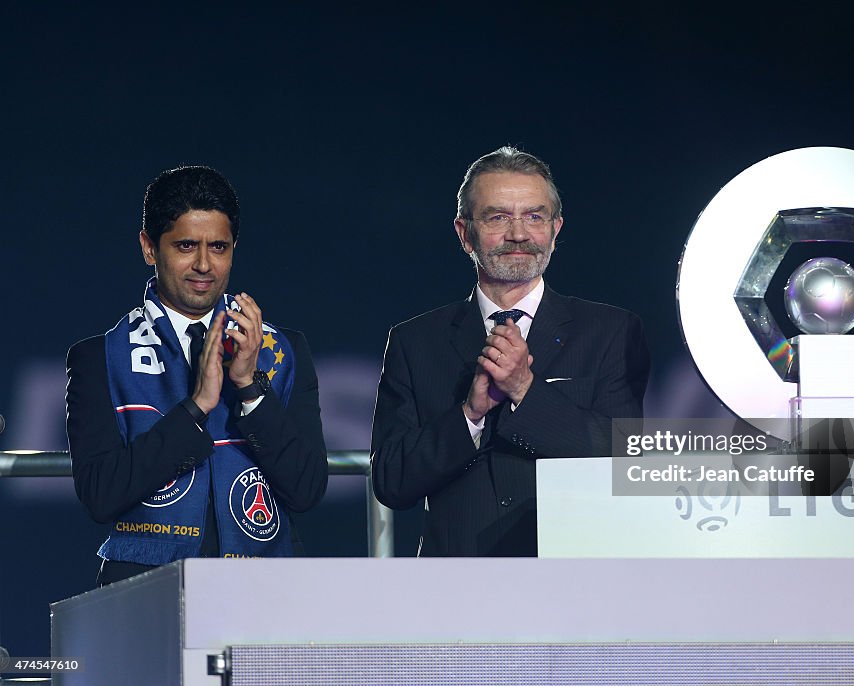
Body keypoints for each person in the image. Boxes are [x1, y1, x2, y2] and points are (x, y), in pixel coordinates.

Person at [370, 146, 650, 556]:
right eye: (498, 217)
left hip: (574, 582)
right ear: (465, 233)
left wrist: (525, 391)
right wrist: (470, 416)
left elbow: (623, 459)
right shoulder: (416, 341)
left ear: (556, 230)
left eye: (534, 217)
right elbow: (392, 481)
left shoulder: (611, 332)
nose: (519, 234)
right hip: (458, 589)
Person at [66, 166, 328, 585]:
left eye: (219, 247)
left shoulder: (284, 351)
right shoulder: (99, 358)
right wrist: (198, 406)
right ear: (149, 248)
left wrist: (248, 388)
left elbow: (306, 489)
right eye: (186, 246)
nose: (204, 264)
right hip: (143, 589)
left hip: (266, 588)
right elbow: (101, 495)